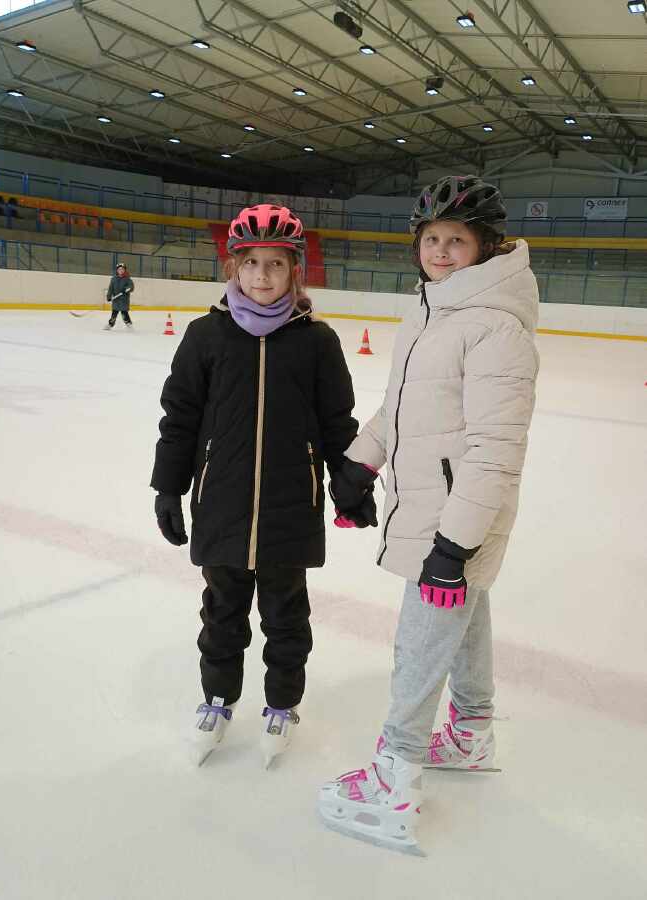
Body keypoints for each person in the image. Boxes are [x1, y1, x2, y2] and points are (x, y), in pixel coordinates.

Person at [318, 175, 540, 854]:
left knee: (420, 643)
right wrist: (360, 463)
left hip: (455, 520)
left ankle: (395, 773)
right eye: (432, 238)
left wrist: (453, 545)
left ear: (485, 246)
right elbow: (401, 408)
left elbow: (495, 450)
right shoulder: (429, 312)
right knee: (466, 619)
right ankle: (471, 733)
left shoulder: (494, 327)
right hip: (431, 508)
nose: (441, 250)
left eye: (456, 240)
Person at [150, 204, 359, 767]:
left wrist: (349, 482)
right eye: (251, 263)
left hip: (291, 506)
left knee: (286, 614)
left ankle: (282, 704)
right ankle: (218, 698)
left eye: (276, 264)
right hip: (220, 502)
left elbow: (337, 422)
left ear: (295, 271)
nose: (262, 275)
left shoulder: (316, 341)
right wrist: (168, 487)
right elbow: (180, 416)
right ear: (233, 268)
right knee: (221, 611)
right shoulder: (205, 336)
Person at [105, 262, 134, 328]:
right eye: (119, 269)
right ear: (117, 270)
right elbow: (110, 289)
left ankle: (128, 323)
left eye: (122, 269)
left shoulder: (128, 279)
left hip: (124, 300)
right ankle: (110, 324)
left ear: (125, 270)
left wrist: (126, 289)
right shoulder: (113, 279)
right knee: (114, 313)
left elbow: (131, 287)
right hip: (116, 300)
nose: (121, 270)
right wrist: (108, 296)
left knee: (124, 313)